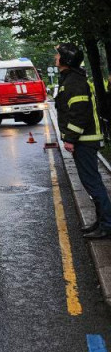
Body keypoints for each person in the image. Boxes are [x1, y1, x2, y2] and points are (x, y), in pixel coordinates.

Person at [55, 43, 111, 239]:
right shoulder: (71, 80)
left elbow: (80, 114)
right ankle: (101, 221)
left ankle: (107, 225)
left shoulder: (73, 82)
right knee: (91, 183)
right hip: (84, 139)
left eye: (58, 55)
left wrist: (70, 139)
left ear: (66, 60)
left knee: (93, 183)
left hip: (84, 140)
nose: (56, 58)